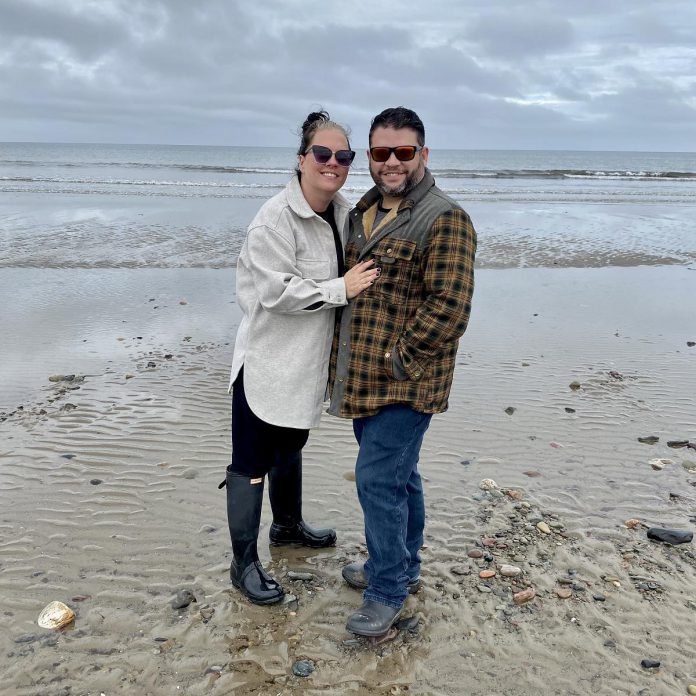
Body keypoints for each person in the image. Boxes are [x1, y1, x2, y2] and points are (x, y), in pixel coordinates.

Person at [328, 107, 477, 635]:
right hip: (362, 380)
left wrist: (398, 360)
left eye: (403, 152)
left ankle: (387, 589)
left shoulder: (444, 218)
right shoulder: (359, 214)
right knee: (399, 476)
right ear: (369, 156)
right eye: (380, 152)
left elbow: (450, 308)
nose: (391, 162)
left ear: (423, 155)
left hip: (406, 383)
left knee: (376, 480)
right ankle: (403, 567)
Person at [222, 111, 379, 605]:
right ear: (301, 159)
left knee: (291, 443)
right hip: (268, 360)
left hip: (310, 361)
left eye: (343, 156)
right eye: (323, 153)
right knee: (250, 461)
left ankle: (287, 528)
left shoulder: (343, 212)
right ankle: (242, 564)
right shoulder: (274, 219)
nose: (333, 163)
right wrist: (342, 288)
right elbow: (277, 293)